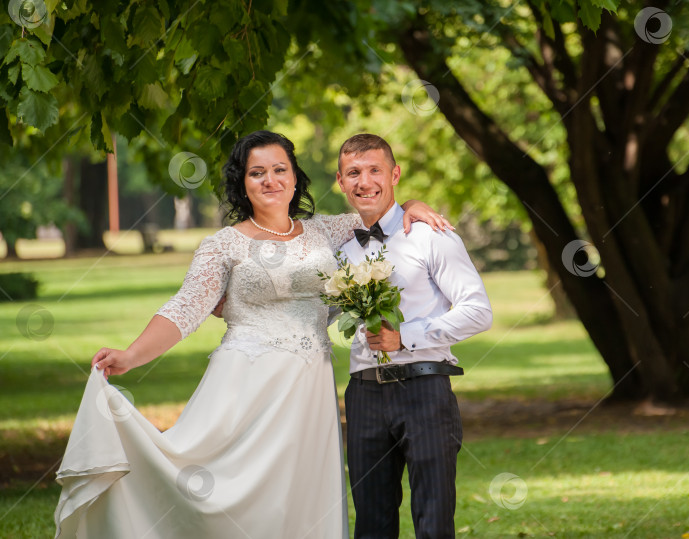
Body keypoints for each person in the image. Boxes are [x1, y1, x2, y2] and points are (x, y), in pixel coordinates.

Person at [53, 130, 450, 539]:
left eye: (280, 169)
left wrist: (416, 205)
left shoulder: (330, 232)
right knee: (225, 494)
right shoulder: (221, 245)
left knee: (298, 498)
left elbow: (382, 211)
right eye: (257, 172)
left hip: (309, 391)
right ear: (242, 183)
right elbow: (185, 307)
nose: (270, 180)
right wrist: (131, 355)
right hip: (245, 385)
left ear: (296, 178)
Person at [336, 134, 493, 538]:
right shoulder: (340, 253)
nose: (364, 181)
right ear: (340, 181)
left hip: (425, 388)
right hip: (364, 394)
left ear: (395, 174)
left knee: (433, 520)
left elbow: (478, 311)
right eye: (354, 172)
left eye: (374, 170)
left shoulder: (431, 234)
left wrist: (404, 336)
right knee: (371, 522)